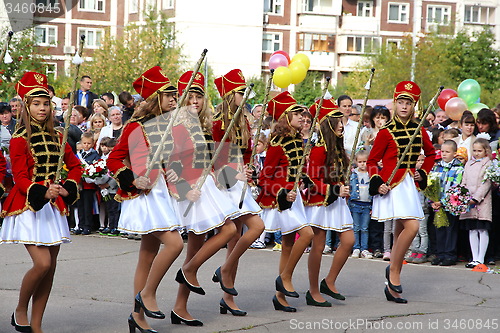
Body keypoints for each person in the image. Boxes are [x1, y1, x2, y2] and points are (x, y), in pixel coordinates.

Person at [0, 71, 82, 333]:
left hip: (54, 208)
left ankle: (37, 326)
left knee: (51, 268)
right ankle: (21, 309)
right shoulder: (18, 138)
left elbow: (75, 166)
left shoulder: (60, 135)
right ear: (26, 106)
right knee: (42, 264)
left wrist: (68, 186)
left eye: (46, 103)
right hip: (30, 206)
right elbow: (21, 177)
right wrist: (41, 192)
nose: (42, 108)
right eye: (36, 103)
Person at [107, 66, 183, 333]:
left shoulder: (167, 126)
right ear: (154, 99)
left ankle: (137, 316)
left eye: (175, 95)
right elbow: (113, 158)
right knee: (175, 244)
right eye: (169, 95)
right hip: (146, 194)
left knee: (148, 255)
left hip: (162, 191)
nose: (174, 99)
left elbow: (163, 160)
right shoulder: (136, 126)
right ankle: (147, 293)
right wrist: (133, 178)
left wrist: (170, 170)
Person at [171, 71, 237, 326]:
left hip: (207, 185)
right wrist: (184, 188)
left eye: (199, 96)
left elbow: (212, 161)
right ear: (182, 98)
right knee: (228, 229)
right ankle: (188, 272)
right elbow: (171, 162)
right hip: (192, 188)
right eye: (190, 96)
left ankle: (180, 306)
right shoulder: (176, 126)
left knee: (197, 247)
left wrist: (230, 175)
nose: (195, 101)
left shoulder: (205, 124)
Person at [367, 81, 435, 304]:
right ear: (395, 103)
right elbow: (371, 161)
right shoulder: (386, 132)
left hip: (409, 185)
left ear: (414, 106)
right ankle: (394, 271)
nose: (404, 107)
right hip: (392, 185)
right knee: (412, 226)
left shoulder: (420, 129)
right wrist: (377, 181)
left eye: (409, 103)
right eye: (401, 102)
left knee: (402, 231)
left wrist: (422, 172)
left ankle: (392, 286)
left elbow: (432, 154)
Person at [212, 69, 265, 316]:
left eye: (244, 92)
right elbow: (211, 158)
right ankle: (225, 272)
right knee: (252, 229)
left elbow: (244, 153)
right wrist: (232, 173)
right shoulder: (215, 121)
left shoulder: (243, 120)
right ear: (228, 94)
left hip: (240, 181)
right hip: (223, 183)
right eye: (240, 92)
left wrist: (248, 166)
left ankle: (228, 295)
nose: (244, 96)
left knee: (240, 238)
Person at [256, 91, 314, 312]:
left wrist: (305, 180)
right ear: (285, 118)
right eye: (296, 113)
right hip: (282, 200)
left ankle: (280, 297)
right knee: (307, 234)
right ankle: (286, 277)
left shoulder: (298, 139)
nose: (302, 117)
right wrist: (281, 192)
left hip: (295, 197)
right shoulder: (278, 142)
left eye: (302, 113)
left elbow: (293, 170)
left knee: (288, 246)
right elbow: (264, 177)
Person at [304, 99, 354, 307]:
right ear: (327, 124)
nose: (342, 125)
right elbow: (311, 180)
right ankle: (313, 290)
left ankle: (329, 281)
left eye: (342, 122)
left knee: (349, 241)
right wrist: (334, 189)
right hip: (320, 202)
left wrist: (344, 185)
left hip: (337, 201)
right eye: (337, 122)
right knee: (319, 246)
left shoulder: (338, 147)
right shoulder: (317, 150)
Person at [429, 140, 464, 266]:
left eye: (447, 152)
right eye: (442, 151)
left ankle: (450, 255)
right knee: (439, 228)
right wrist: (432, 200)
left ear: (454, 153)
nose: (444, 154)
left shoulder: (458, 168)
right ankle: (440, 253)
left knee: (450, 229)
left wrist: (442, 201)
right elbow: (431, 183)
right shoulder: (437, 166)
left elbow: (456, 187)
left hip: (450, 205)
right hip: (437, 203)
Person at [460, 138, 493, 268]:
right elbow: (464, 180)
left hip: (482, 202)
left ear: (486, 151)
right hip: (469, 201)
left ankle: (481, 258)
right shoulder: (469, 164)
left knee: (482, 229)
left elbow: (486, 183)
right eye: (474, 150)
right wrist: (462, 195)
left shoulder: (489, 164)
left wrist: (476, 197)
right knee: (472, 230)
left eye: (479, 150)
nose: (476, 153)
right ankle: (474, 258)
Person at [75, 132, 101, 235]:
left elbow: (97, 167)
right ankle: (80, 225)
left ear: (93, 143)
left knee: (88, 206)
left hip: (89, 185)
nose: (86, 145)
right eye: (84, 143)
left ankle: (88, 226)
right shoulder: (79, 154)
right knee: (80, 205)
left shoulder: (95, 155)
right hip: (79, 184)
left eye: (89, 143)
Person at [406, 154, 430, 264]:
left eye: (422, 160)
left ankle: (422, 251)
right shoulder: (409, 175)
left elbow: (428, 192)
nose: (420, 163)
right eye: (417, 160)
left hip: (423, 209)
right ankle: (414, 250)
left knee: (422, 231)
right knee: (414, 232)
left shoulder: (426, 175)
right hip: (412, 209)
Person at [349, 150, 373, 259]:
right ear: (356, 162)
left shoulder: (371, 174)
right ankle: (356, 248)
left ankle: (364, 248)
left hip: (367, 205)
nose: (363, 164)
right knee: (356, 227)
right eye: (360, 162)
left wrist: (373, 206)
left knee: (364, 228)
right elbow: (350, 189)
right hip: (355, 204)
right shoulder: (353, 174)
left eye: (365, 161)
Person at [95, 137, 120, 236]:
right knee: (109, 208)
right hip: (106, 189)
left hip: (114, 187)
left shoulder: (118, 158)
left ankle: (115, 227)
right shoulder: (103, 158)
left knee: (115, 208)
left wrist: (109, 184)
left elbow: (117, 173)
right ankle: (110, 226)